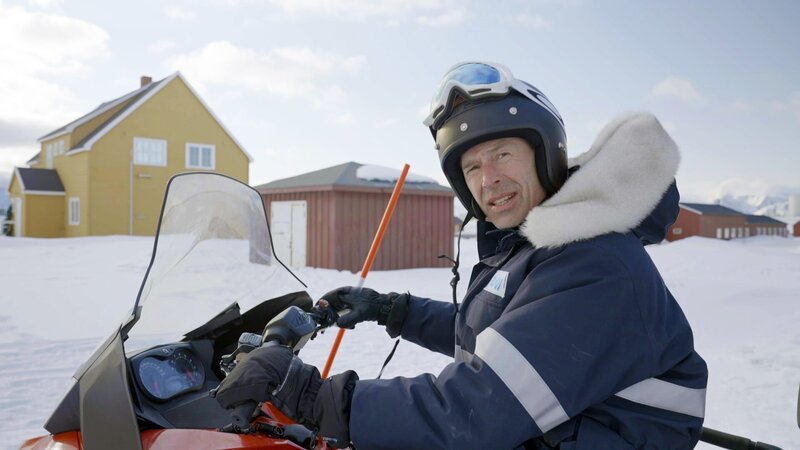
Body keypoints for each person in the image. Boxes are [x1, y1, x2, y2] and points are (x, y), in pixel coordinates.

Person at [215, 62, 708, 449]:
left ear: (546, 154)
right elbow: (497, 334)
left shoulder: (596, 263)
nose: (488, 178)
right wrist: (394, 310)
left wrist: (310, 395)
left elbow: (473, 412)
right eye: (472, 167)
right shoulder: (536, 250)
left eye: (502, 154)